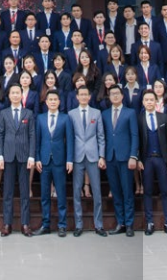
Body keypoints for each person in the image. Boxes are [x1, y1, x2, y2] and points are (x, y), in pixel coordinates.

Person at [0, 83, 36, 237]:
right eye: (12, 93)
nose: (15, 95)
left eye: (17, 92)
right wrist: (0, 155)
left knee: (24, 192)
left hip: (24, 156)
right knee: (8, 192)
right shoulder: (4, 113)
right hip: (8, 156)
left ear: (22, 95)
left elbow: (32, 135)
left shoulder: (28, 113)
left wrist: (32, 156)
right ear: (9, 95)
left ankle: (25, 224)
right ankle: (7, 224)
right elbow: (0, 134)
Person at [68, 84, 107, 237]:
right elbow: (69, 137)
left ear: (89, 97)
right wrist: (69, 158)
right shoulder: (71, 114)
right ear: (77, 97)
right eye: (81, 95)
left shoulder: (96, 113)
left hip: (93, 155)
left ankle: (99, 225)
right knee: (76, 191)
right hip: (77, 156)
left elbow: (101, 136)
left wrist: (101, 156)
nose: (84, 97)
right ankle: (78, 225)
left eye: (86, 94)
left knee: (96, 191)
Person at [34, 89, 74, 237]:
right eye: (50, 99)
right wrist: (37, 158)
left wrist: (69, 159)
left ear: (59, 102)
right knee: (45, 195)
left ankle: (62, 225)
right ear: (46, 102)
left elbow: (70, 140)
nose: (52, 102)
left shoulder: (65, 118)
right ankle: (46, 225)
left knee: (61, 194)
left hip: (59, 161)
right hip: (44, 161)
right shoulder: (40, 118)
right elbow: (37, 140)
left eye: (55, 100)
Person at [137, 89, 167, 236]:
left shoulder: (163, 117)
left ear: (156, 102)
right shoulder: (139, 119)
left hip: (162, 159)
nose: (149, 102)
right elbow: (137, 140)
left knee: (165, 191)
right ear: (143, 102)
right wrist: (138, 159)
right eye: (146, 100)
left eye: (151, 100)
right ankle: (149, 222)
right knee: (147, 191)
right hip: (147, 159)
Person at [101, 83, 139, 237]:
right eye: (112, 94)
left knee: (127, 191)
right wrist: (102, 156)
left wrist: (133, 156)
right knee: (116, 192)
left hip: (126, 157)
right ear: (109, 97)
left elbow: (134, 135)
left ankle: (129, 224)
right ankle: (120, 223)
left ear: (122, 96)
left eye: (117, 93)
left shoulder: (130, 113)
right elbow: (102, 136)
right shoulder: (104, 114)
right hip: (110, 157)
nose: (115, 96)